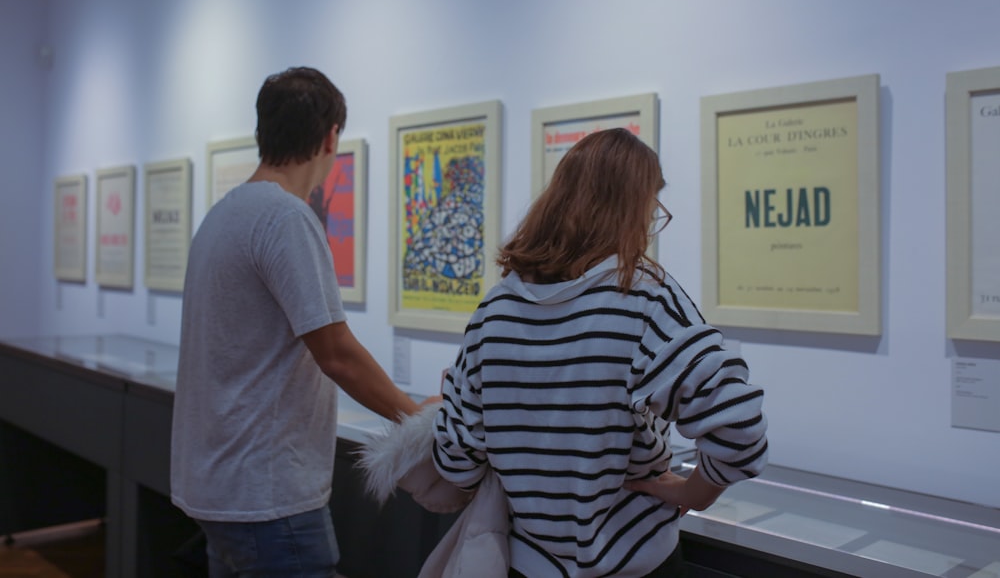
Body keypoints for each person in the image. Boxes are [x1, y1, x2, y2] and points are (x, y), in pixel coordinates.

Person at [432, 128, 769, 578]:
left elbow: (456, 463)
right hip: (637, 565)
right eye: (651, 209)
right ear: (630, 210)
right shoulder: (644, 299)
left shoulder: (494, 312)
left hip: (528, 564)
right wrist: (695, 494)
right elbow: (740, 430)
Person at [171, 66, 424, 577]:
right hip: (267, 499)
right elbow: (336, 353)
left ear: (263, 130)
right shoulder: (285, 218)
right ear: (331, 137)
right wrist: (418, 421)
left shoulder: (222, 216)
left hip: (219, 490)